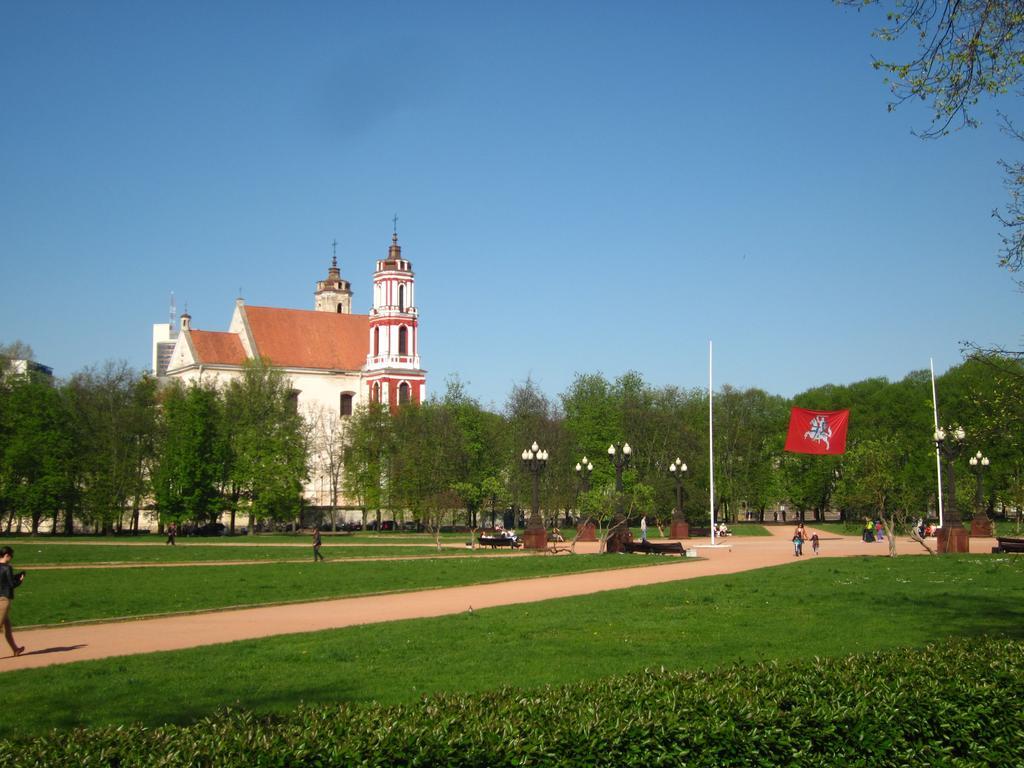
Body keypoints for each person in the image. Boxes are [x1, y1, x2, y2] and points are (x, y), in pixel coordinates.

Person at [0, 546, 26, 658]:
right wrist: (20, 580)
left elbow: (4, 580)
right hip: (3, 600)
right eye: (11, 556)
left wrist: (15, 576)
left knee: (7, 628)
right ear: (7, 555)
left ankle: (15, 650)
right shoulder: (7, 568)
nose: (11, 558)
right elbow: (11, 585)